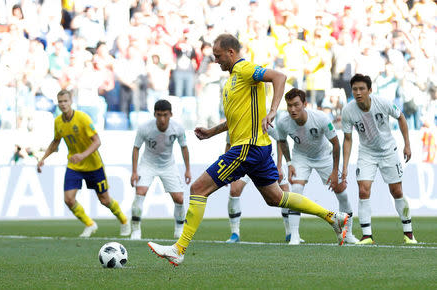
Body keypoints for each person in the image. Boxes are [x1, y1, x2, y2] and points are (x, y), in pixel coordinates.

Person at [147, 34, 348, 266]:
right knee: (276, 198)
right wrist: (212, 131)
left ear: (231, 53)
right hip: (256, 147)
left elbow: (279, 76)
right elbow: (236, 119)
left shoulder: (245, 70)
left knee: (199, 188)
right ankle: (333, 217)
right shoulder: (232, 80)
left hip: (248, 148)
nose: (216, 61)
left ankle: (179, 249)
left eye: (219, 56)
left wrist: (273, 110)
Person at [37, 90, 130, 237]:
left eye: (65, 101)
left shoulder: (83, 118)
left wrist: (83, 155)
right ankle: (90, 224)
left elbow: (97, 141)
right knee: (68, 199)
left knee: (104, 200)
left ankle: (124, 221)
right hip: (74, 166)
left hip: (93, 165)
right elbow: (56, 142)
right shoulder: (58, 122)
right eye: (60, 101)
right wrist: (43, 158)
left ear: (71, 101)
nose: (63, 104)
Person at [341, 74, 417, 245]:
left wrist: (407, 145)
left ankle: (408, 233)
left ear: (370, 90)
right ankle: (367, 236)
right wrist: (344, 166)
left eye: (362, 89)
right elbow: (347, 139)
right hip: (366, 153)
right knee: (363, 190)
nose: (358, 92)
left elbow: (401, 117)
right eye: (355, 89)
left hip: (389, 151)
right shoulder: (348, 111)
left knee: (396, 191)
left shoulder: (382, 102)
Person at [277, 88, 359, 245]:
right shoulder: (282, 122)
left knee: (342, 193)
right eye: (289, 106)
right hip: (301, 157)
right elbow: (282, 141)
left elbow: (336, 143)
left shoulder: (320, 118)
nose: (292, 109)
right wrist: (289, 163)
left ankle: (347, 234)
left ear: (305, 104)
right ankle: (294, 236)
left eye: (296, 105)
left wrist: (335, 171)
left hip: (324, 157)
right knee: (296, 191)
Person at [130, 99, 191, 240]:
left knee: (179, 198)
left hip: (168, 165)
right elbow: (136, 148)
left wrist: (188, 169)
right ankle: (135, 230)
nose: (162, 119)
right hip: (148, 164)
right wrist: (134, 172)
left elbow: (184, 147)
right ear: (154, 114)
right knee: (140, 192)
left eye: (165, 115)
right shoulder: (145, 128)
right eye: (159, 115)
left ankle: (179, 229)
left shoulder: (178, 128)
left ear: (171, 114)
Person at [224, 126, 294, 244]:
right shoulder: (234, 121)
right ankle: (235, 233)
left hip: (265, 160)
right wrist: (227, 168)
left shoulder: (261, 118)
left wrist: (279, 165)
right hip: (244, 161)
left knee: (285, 191)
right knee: (234, 191)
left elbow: (279, 139)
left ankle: (290, 232)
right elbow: (229, 145)